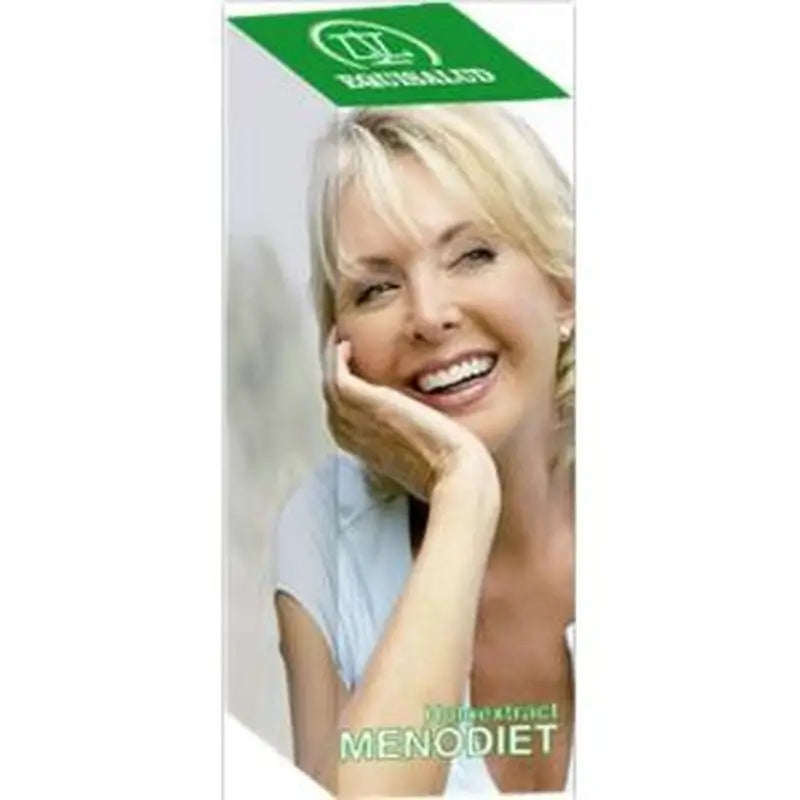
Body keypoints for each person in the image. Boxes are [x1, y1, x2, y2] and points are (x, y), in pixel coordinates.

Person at [274, 103, 574, 797]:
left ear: (565, 288)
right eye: (377, 288)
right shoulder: (326, 530)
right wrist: (462, 491)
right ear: (341, 344)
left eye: (473, 255)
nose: (430, 315)